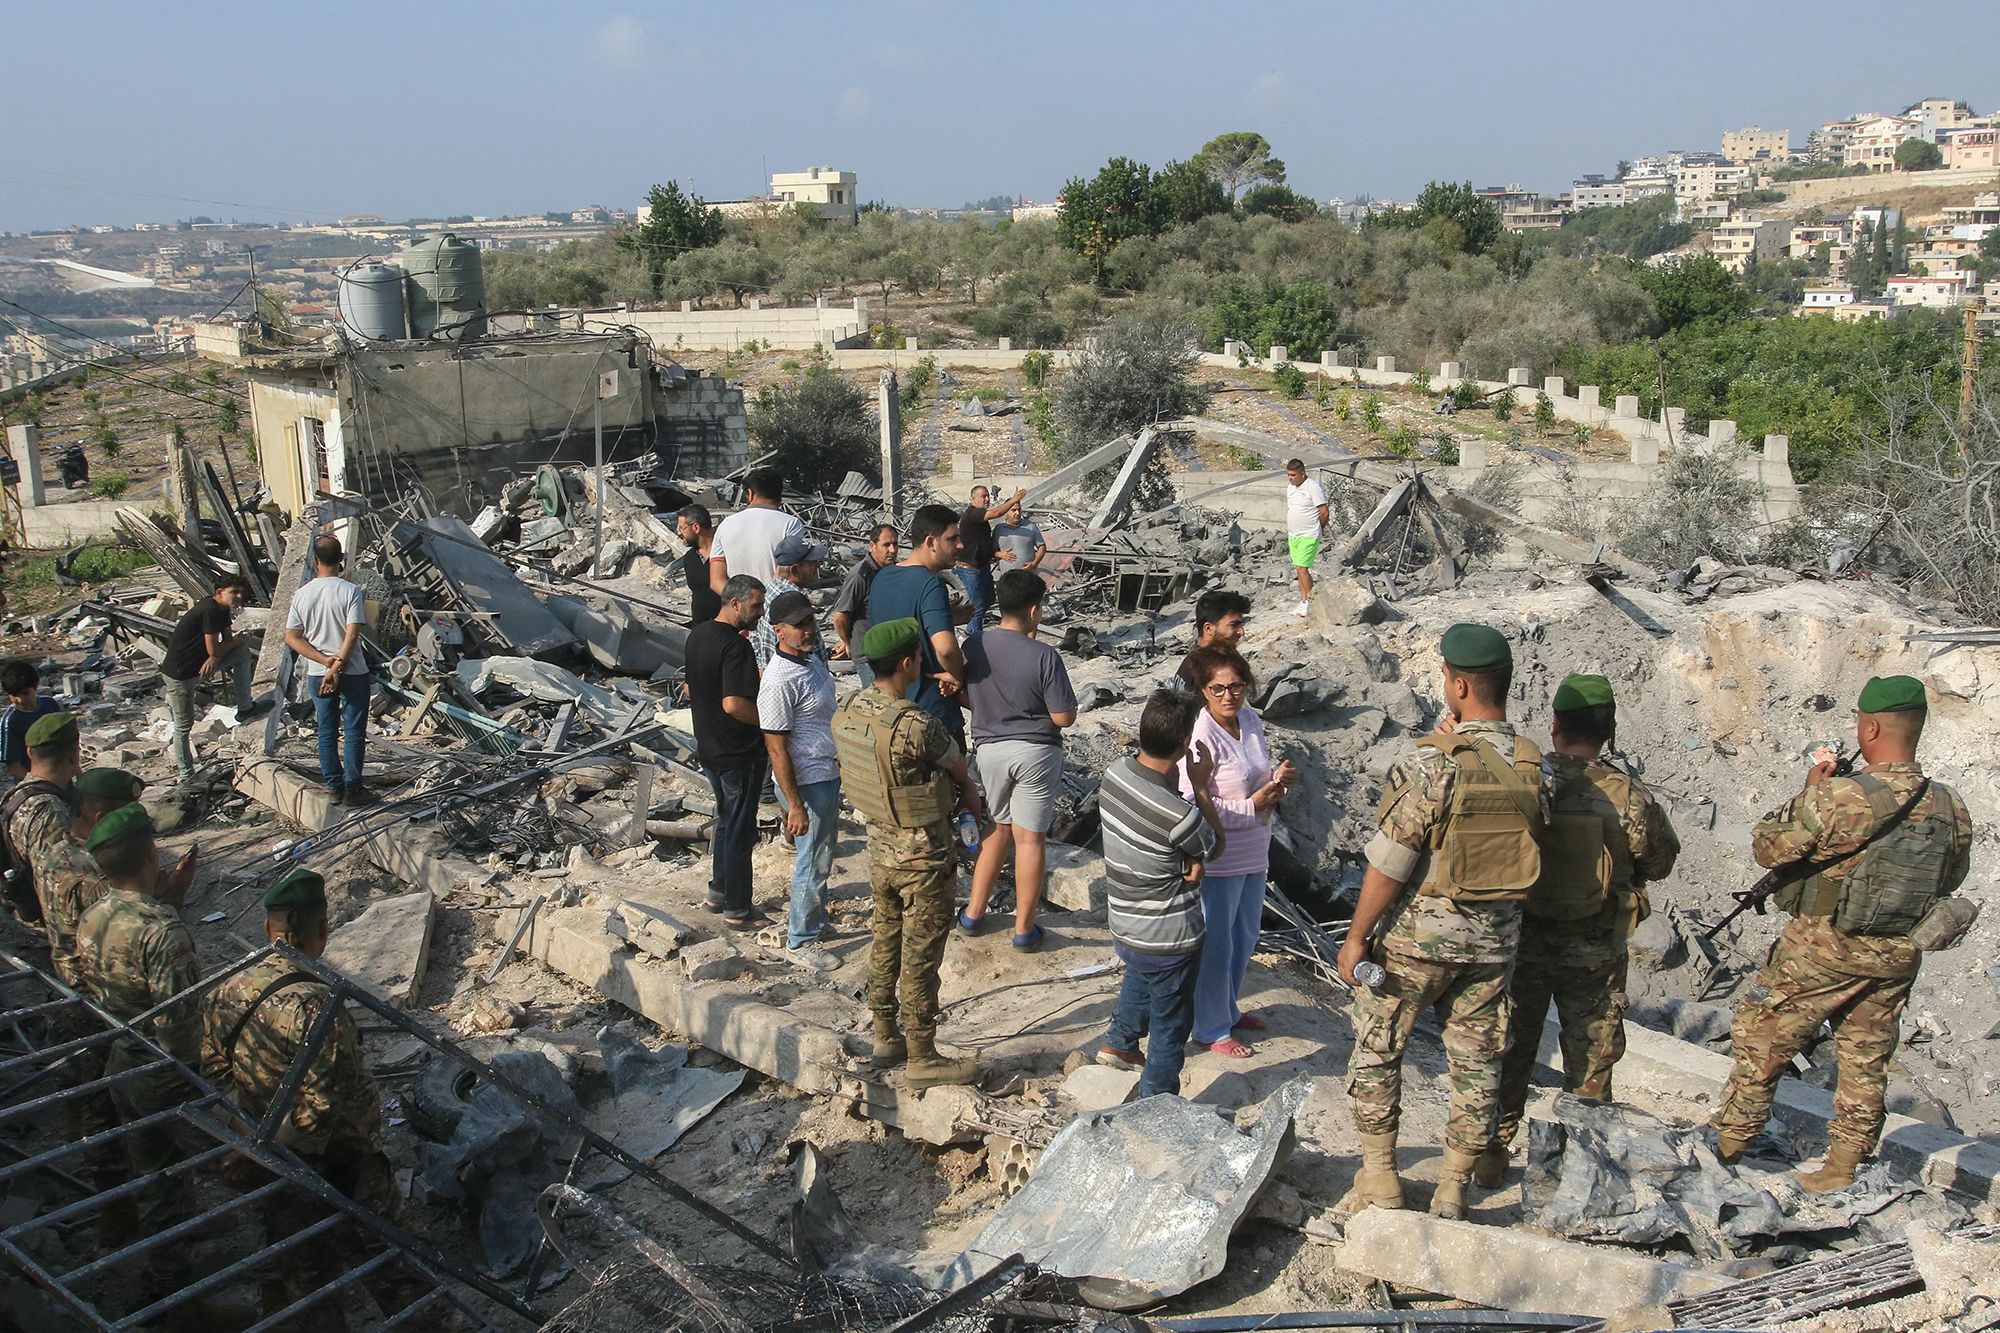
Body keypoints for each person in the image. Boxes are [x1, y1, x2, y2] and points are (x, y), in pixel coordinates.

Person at [1711, 674, 1974, 1193]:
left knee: (1761, 1037)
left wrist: (1810, 791)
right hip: (1897, 953)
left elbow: (1771, 848)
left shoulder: (1840, 797)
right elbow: (1952, 875)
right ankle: (1842, 1167)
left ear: (1870, 727)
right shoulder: (1949, 805)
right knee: (1865, 1059)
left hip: (1823, 949)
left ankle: (1728, 1144)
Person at [1336, 624, 1543, 1221]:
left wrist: (1355, 938)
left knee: (1378, 1049)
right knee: (1477, 1063)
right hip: (1494, 946)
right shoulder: (1535, 767)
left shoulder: (1434, 766)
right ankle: (1453, 1188)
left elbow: (1390, 864)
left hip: (1417, 943)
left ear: (1456, 684)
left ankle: (1380, 1176)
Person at [1480, 675, 1681, 1187]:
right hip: (1594, 951)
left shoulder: (1526, 779)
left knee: (1511, 1049)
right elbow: (1658, 862)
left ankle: (1492, 1152)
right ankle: (1582, 1166)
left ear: (1554, 724)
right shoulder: (1628, 796)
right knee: (1591, 1057)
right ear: (1609, 728)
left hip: (1523, 942)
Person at [204, 868, 420, 1328]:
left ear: (268, 929)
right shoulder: (317, 1007)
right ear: (323, 931)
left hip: (273, 1161)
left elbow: (213, 1068)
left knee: (306, 1277)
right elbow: (322, 1107)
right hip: (342, 1165)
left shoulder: (229, 987)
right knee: (397, 1270)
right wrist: (286, 1144)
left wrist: (250, 1136)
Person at [832, 618, 985, 1088]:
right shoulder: (915, 725)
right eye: (918, 658)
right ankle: (922, 1055)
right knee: (921, 954)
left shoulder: (850, 708)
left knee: (886, 941)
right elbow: (956, 764)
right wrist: (971, 797)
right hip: (924, 858)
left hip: (880, 853)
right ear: (906, 662)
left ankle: (885, 1035)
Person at [1096, 690, 1228, 1097]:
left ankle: (1119, 1041)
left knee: (1140, 972)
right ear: (1185, 744)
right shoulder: (1180, 814)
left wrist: (1184, 863)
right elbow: (1213, 847)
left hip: (1127, 920)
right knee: (1172, 1024)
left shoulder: (1115, 773)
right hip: (1169, 933)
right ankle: (1157, 1100)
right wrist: (1201, 787)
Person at [73, 804, 201, 1221]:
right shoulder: (162, 930)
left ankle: (175, 1228)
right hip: (163, 1074)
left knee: (150, 1161)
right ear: (151, 854)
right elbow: (178, 1023)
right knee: (201, 1162)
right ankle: (172, 1269)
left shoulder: (92, 916)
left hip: (123, 1058)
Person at [1180, 647, 1294, 1059]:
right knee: (1217, 941)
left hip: (1254, 846)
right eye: (1218, 688)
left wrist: (1278, 784)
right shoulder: (1200, 735)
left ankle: (1226, 1007)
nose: (1229, 696)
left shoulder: (1249, 720)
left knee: (1245, 935)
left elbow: (1256, 777)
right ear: (1204, 691)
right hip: (1221, 852)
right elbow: (1193, 799)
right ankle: (1209, 1027)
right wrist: (1251, 806)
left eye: (1236, 686)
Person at [959, 570, 1078, 950]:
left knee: (998, 827)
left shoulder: (974, 645)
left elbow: (969, 695)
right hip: (1035, 753)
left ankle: (973, 913)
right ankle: (1024, 929)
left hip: (989, 749)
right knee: (1030, 841)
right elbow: (1064, 718)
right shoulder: (1045, 655)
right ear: (1034, 610)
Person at [759, 591, 842, 971]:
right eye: (799, 625)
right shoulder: (779, 680)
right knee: (813, 860)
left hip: (823, 773)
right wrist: (794, 803)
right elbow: (776, 748)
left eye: (809, 622)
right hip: (806, 781)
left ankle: (813, 920)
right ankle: (801, 939)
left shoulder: (809, 662)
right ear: (778, 630)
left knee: (820, 855)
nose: (809, 630)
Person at [685, 575, 771, 930]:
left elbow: (692, 687)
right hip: (738, 753)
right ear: (735, 604)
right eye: (756, 606)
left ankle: (718, 892)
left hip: (710, 748)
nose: (761, 613)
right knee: (740, 830)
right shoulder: (736, 647)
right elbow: (734, 704)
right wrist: (771, 723)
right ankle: (738, 908)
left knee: (726, 822)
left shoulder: (698, 635)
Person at [868, 504, 969, 748]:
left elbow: (896, 627)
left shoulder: (882, 577)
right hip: (931, 713)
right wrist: (957, 677)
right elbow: (945, 649)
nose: (960, 545)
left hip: (889, 711)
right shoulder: (931, 584)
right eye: (952, 538)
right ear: (931, 542)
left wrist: (945, 617)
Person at [283, 536, 372, 806]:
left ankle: (334, 787)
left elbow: (293, 637)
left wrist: (325, 663)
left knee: (326, 729)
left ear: (315, 561)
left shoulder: (302, 594)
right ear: (341, 560)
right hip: (353, 670)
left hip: (317, 672)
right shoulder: (350, 591)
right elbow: (352, 635)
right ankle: (353, 790)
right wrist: (337, 665)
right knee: (354, 730)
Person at [163, 573, 270, 785]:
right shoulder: (210, 610)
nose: (238, 596)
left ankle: (245, 707)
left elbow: (225, 643)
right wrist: (232, 645)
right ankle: (186, 775)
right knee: (184, 725)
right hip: (181, 674)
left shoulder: (222, 609)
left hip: (199, 667)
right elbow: (215, 647)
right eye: (234, 592)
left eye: (240, 592)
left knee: (241, 654)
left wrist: (218, 655)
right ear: (219, 593)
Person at [1, 710, 83, 932]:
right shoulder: (50, 813)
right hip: (48, 929)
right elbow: (58, 890)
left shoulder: (16, 795)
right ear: (74, 754)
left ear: (29, 752)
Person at [708, 467, 806, 596]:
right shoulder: (791, 524)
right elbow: (792, 573)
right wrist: (764, 602)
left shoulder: (726, 525)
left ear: (749, 493)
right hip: (778, 608)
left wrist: (743, 602)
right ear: (779, 494)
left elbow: (716, 581)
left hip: (739, 609)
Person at [751, 532, 828, 669]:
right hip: (797, 676)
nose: (817, 566)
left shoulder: (769, 590)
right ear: (795, 570)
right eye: (812, 563)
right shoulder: (792, 602)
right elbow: (811, 648)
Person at [832, 524, 898, 684]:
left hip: (888, 650)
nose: (893, 550)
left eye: (895, 544)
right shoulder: (860, 575)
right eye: (886, 545)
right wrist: (849, 643)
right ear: (872, 545)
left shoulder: (890, 569)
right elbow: (841, 617)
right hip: (868, 657)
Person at [956, 484, 1023, 638]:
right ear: (973, 499)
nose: (987, 499)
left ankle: (970, 622)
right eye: (983, 496)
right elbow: (996, 512)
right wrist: (1013, 500)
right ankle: (974, 636)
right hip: (970, 568)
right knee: (978, 605)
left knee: (988, 599)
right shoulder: (972, 514)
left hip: (982, 566)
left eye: (988, 496)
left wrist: (997, 553)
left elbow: (982, 543)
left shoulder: (981, 519)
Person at [1176, 590, 1251, 691]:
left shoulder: (1199, 663)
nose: (1241, 632)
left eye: (1241, 625)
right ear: (1209, 628)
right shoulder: (1204, 672)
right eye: (1233, 625)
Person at [1, 658, 60, 783]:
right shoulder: (10, 721)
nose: (19, 700)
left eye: (24, 693)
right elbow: (13, 766)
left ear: (36, 686)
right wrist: (38, 782)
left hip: (60, 774)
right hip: (32, 782)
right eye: (13, 695)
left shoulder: (49, 705)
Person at [1284, 458, 1328, 618]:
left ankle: (1311, 602)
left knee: (1303, 568)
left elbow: (1323, 511)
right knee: (1298, 568)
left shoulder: (1312, 487)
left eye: (1293, 475)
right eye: (1288, 475)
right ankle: (1303, 601)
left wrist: (1317, 529)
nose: (1290, 478)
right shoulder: (1290, 488)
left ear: (1302, 473)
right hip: (1294, 534)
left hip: (1308, 535)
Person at [675, 504, 724, 623]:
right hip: (700, 630)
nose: (679, 533)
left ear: (696, 528)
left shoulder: (725, 553)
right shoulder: (690, 559)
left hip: (727, 630)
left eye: (682, 528)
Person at [993, 503, 1047, 575]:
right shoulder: (998, 529)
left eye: (1019, 510)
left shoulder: (1030, 526)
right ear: (1006, 511)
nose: (1017, 513)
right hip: (1007, 577)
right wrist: (999, 554)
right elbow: (991, 551)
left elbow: (1042, 547)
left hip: (1027, 575)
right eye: (1013, 510)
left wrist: (1034, 564)